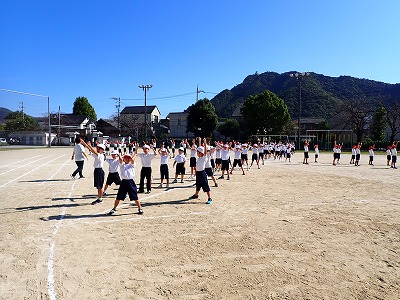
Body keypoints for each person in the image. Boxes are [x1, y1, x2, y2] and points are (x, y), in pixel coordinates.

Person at [80, 139, 106, 204]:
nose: (97, 149)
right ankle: (99, 198)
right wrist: (84, 144)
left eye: (99, 148)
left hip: (99, 171)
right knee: (98, 186)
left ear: (102, 150)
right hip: (96, 170)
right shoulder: (98, 154)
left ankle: (100, 199)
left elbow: (94, 151)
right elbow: (91, 150)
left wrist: (90, 145)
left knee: (100, 186)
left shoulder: (101, 155)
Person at [188, 138, 213, 204]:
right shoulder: (199, 158)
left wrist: (204, 143)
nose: (197, 153)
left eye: (198, 152)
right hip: (198, 173)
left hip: (202, 173)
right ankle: (196, 195)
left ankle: (209, 198)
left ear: (201, 153)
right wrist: (199, 141)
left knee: (205, 185)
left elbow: (204, 152)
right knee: (198, 185)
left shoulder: (204, 157)